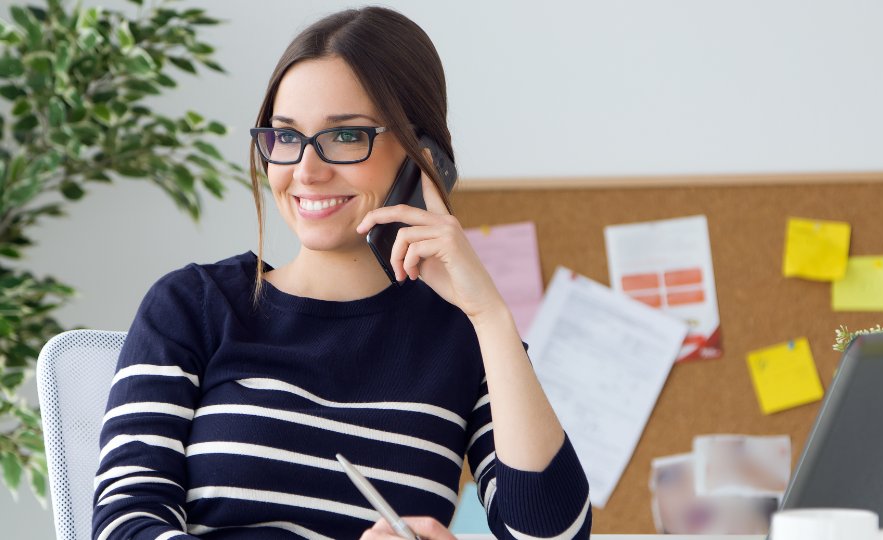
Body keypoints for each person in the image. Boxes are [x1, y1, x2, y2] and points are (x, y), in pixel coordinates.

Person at [92, 6, 592, 539]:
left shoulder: (461, 338)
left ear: (422, 157)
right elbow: (124, 524)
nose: (306, 170)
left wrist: (489, 315)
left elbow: (552, 537)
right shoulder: (194, 305)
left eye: (346, 137)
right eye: (285, 137)